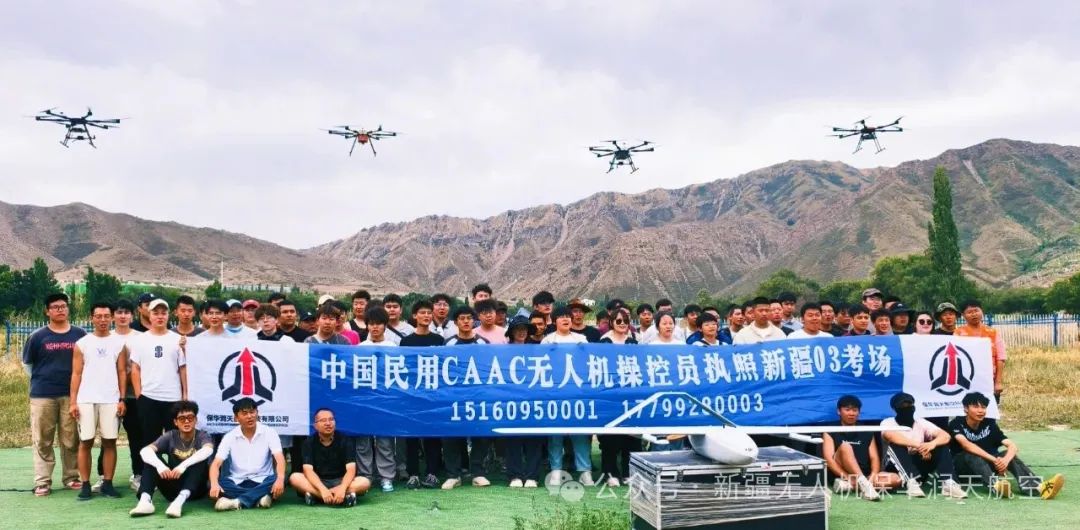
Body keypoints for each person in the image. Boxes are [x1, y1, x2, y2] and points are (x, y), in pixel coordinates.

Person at [23, 292, 87, 496]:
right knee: (43, 439)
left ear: (68, 309)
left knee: (71, 438)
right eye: (55, 307)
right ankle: (42, 481)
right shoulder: (37, 336)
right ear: (47, 311)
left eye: (63, 306)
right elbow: (27, 364)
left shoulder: (80, 334)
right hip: (43, 395)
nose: (60, 310)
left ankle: (71, 477)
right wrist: (43, 380)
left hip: (71, 395)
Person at [949, 392, 1065, 499]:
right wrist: (995, 460)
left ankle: (1038, 488)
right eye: (975, 407)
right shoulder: (956, 423)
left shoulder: (989, 424)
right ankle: (996, 486)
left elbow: (1012, 446)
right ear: (966, 409)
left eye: (983, 407)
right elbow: (967, 446)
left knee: (1007, 454)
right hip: (963, 469)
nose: (980, 411)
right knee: (970, 454)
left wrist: (1005, 461)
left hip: (987, 466)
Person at [70, 301, 127, 500]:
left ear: (111, 318)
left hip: (110, 399)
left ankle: (108, 483)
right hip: (86, 399)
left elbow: (122, 372)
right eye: (98, 316)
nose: (102, 320)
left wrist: (122, 399)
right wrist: (73, 402)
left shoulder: (119, 343)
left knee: (110, 442)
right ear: (91, 318)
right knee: (85, 442)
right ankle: (85, 485)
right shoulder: (82, 343)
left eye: (106, 316)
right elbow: (76, 374)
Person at [129, 401, 214, 518]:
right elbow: (145, 451)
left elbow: (208, 450)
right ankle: (145, 501)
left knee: (200, 460)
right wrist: (160, 466)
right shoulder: (170, 436)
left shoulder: (202, 435)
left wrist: (183, 466)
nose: (187, 421)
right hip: (172, 487)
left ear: (196, 420)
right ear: (175, 422)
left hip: (196, 489)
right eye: (182, 419)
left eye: (190, 418)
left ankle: (179, 502)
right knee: (152, 458)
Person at [540, 306, 594, 486]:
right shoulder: (548, 340)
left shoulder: (581, 339)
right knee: (555, 434)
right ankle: (556, 470)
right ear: (554, 321)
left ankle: (585, 471)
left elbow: (589, 362)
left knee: (580, 434)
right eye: (561, 317)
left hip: (576, 392)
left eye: (568, 317)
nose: (566, 319)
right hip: (555, 393)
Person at [441, 306, 494, 489]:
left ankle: (478, 473)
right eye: (462, 318)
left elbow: (489, 368)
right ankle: (453, 475)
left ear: (473, 320)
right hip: (454, 397)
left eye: (469, 318)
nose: (465, 321)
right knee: (451, 435)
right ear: (456, 322)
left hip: (478, 396)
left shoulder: (483, 343)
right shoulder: (448, 344)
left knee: (480, 434)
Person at [881, 392, 967, 499]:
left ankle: (948, 483)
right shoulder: (888, 422)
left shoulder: (920, 422)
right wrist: (921, 447)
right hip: (894, 468)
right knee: (896, 445)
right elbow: (890, 436)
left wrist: (931, 445)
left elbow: (945, 436)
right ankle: (911, 483)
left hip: (919, 464)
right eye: (902, 406)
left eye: (909, 405)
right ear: (894, 409)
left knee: (940, 445)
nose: (907, 408)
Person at [130, 299, 188, 450]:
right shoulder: (140, 340)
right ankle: (150, 466)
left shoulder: (177, 340)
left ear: (169, 315)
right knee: (150, 441)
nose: (160, 316)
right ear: (149, 315)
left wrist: (184, 394)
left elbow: (183, 368)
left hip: (173, 398)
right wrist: (139, 395)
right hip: (149, 397)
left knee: (175, 441)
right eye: (156, 313)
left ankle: (174, 466)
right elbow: (135, 368)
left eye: (163, 313)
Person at [209, 398, 286, 510]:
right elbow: (216, 464)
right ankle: (260, 497)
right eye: (244, 413)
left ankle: (237, 502)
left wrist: (280, 479)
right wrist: (214, 484)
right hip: (237, 481)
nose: (249, 416)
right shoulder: (229, 436)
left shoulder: (269, 432)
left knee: (277, 479)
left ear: (257, 413)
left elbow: (279, 458)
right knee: (219, 484)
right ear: (236, 418)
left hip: (263, 480)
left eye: (252, 412)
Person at [401, 301, 445, 489]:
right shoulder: (406, 341)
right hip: (412, 395)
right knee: (411, 436)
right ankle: (413, 474)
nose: (426, 316)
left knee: (432, 435)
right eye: (422, 313)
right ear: (414, 316)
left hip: (433, 395)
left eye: (429, 313)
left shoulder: (439, 340)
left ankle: (432, 473)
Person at [822, 395, 901, 501]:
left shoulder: (866, 430)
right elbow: (829, 460)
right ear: (839, 411)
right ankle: (861, 484)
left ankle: (851, 486)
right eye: (847, 410)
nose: (851, 413)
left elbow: (874, 457)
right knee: (845, 446)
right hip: (843, 474)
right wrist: (847, 477)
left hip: (865, 475)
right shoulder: (830, 429)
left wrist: (873, 475)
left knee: (896, 479)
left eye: (855, 410)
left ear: (859, 412)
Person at [355, 306, 398, 493]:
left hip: (385, 400)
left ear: (385, 325)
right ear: (366, 326)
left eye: (378, 324)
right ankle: (365, 476)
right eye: (371, 324)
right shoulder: (359, 348)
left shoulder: (393, 347)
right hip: (364, 400)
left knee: (384, 440)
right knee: (363, 440)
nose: (375, 327)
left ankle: (386, 477)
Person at [290, 408, 370, 507]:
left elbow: (351, 470)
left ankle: (318, 496)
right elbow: (308, 471)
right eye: (323, 420)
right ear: (315, 426)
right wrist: (322, 489)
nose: (328, 423)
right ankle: (333, 496)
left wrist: (342, 488)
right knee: (295, 478)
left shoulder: (346, 440)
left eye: (331, 419)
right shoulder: (308, 443)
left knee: (364, 482)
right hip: (318, 481)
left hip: (341, 480)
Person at [503, 316, 544, 488]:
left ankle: (532, 476)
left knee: (534, 438)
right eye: (518, 329)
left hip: (533, 400)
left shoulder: (536, 351)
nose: (521, 332)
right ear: (512, 332)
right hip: (510, 400)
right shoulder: (502, 352)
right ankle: (515, 475)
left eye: (525, 329)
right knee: (513, 439)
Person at [112, 299, 145, 492]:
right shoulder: (106, 337)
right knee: (109, 437)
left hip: (135, 396)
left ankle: (139, 474)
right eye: (119, 312)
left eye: (126, 312)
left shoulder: (142, 338)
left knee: (136, 437)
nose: (122, 316)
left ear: (132, 316)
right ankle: (104, 476)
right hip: (110, 396)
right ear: (113, 316)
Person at [954, 300, 1006, 403]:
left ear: (982, 311)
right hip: (966, 381)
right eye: (969, 312)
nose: (974, 314)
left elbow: (1001, 358)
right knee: (968, 410)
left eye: (976, 310)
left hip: (989, 380)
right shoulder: (958, 333)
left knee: (989, 410)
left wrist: (998, 382)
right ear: (963, 315)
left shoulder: (993, 332)